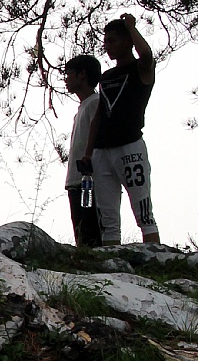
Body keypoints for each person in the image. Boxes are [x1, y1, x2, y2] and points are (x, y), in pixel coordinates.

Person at [78, 14, 159, 245]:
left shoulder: (140, 69)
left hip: (130, 146)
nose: (108, 46)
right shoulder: (106, 77)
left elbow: (147, 55)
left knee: (143, 211)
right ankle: (113, 258)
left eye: (113, 41)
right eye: (105, 42)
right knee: (107, 217)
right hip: (102, 152)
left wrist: (131, 27)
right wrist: (88, 152)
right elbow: (99, 116)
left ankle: (156, 256)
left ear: (128, 41)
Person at [62, 55, 103, 247]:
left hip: (88, 179)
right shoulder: (82, 108)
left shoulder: (95, 103)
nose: (66, 79)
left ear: (82, 74)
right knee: (80, 230)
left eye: (69, 74)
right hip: (76, 180)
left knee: (90, 230)